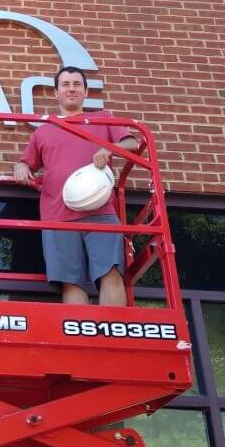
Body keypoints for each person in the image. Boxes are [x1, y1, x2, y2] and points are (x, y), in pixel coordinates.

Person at [13, 66, 139, 306]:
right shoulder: (44, 131)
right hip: (58, 215)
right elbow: (25, 163)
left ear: (85, 91)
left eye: (77, 84)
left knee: (111, 273)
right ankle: (83, 341)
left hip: (101, 212)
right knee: (71, 282)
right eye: (66, 84)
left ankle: (112, 340)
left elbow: (132, 141)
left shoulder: (103, 118)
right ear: (56, 93)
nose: (71, 88)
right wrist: (20, 167)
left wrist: (109, 148)